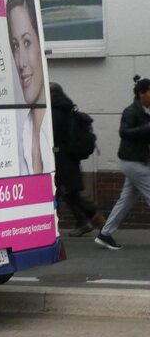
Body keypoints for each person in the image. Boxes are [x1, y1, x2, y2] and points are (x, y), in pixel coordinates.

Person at [95, 77, 150, 250]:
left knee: (125, 201)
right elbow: (124, 132)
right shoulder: (131, 111)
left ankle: (105, 234)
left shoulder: (145, 111)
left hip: (139, 161)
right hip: (133, 162)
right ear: (141, 94)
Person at [49, 82, 105, 236]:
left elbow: (50, 137)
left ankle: (102, 225)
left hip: (60, 161)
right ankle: (83, 222)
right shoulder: (68, 109)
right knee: (70, 195)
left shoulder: (54, 113)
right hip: (69, 160)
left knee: (59, 194)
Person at [6, 0, 52, 175]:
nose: (21, 62)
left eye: (27, 42)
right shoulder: (22, 131)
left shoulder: (51, 130)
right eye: (16, 46)